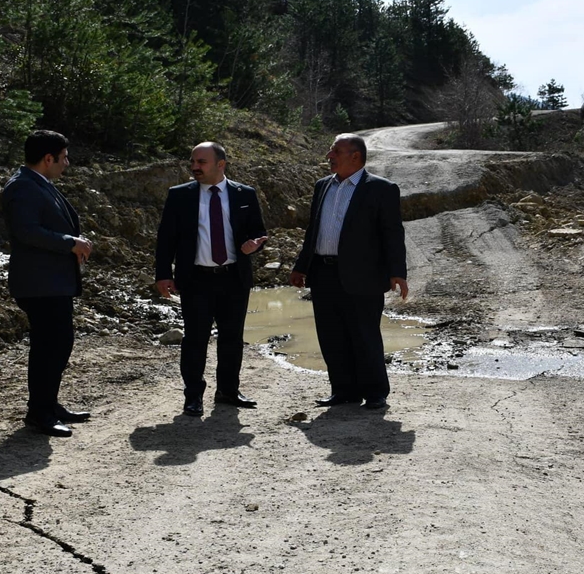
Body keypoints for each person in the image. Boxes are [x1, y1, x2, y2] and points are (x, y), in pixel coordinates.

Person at [290, 133, 409, 410]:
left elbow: (392, 233)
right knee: (331, 334)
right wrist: (301, 266)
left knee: (364, 333)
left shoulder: (381, 188)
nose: (329, 156)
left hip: (363, 275)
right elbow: (313, 231)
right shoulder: (322, 186)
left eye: (336, 151)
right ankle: (344, 391)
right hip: (323, 272)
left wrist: (397, 272)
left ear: (355, 156)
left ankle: (375, 392)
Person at [155, 142, 269, 416]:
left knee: (232, 338)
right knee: (195, 339)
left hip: (234, 277)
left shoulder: (245, 194)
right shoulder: (180, 195)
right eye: (193, 161)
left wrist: (254, 245)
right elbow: (165, 239)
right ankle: (193, 396)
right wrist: (162, 274)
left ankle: (228, 391)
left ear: (221, 164)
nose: (195, 167)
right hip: (196, 280)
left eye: (202, 162)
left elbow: (258, 233)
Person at [2, 130, 93, 437]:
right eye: (64, 157)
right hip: (39, 284)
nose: (67, 163)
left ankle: (48, 404)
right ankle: (39, 413)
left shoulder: (39, 184)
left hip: (52, 282)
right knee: (49, 347)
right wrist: (69, 242)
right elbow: (26, 231)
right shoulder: (22, 187)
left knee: (57, 344)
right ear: (48, 158)